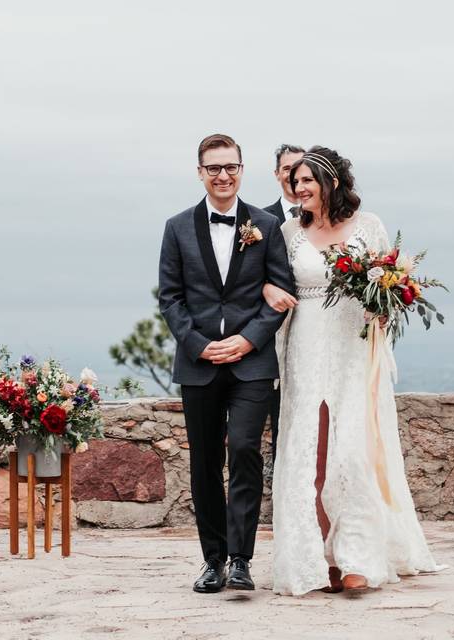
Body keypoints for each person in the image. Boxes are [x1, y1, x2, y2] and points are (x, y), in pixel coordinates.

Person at [265, 146, 439, 596]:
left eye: (306, 181)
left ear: (332, 183)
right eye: (294, 181)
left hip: (353, 346)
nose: (298, 188)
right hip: (305, 346)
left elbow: (392, 283)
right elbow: (271, 279)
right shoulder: (287, 233)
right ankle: (318, 558)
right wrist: (267, 286)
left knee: (352, 451)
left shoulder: (370, 227)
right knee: (312, 456)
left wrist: (385, 305)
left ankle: (357, 557)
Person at [158, 133, 295, 593]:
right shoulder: (177, 227)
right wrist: (199, 345)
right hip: (199, 364)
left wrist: (245, 340)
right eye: (213, 167)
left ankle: (242, 559)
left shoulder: (265, 226)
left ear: (242, 170)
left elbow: (279, 293)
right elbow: (171, 297)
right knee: (204, 461)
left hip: (251, 364)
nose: (223, 175)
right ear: (200, 172)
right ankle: (212, 561)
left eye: (230, 167)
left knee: (243, 451)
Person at [261, 144, 305, 465]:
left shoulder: (327, 220)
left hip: (318, 329)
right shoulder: (261, 221)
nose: (294, 175)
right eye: (287, 168)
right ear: (277, 174)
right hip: (275, 337)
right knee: (282, 421)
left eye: (300, 168)